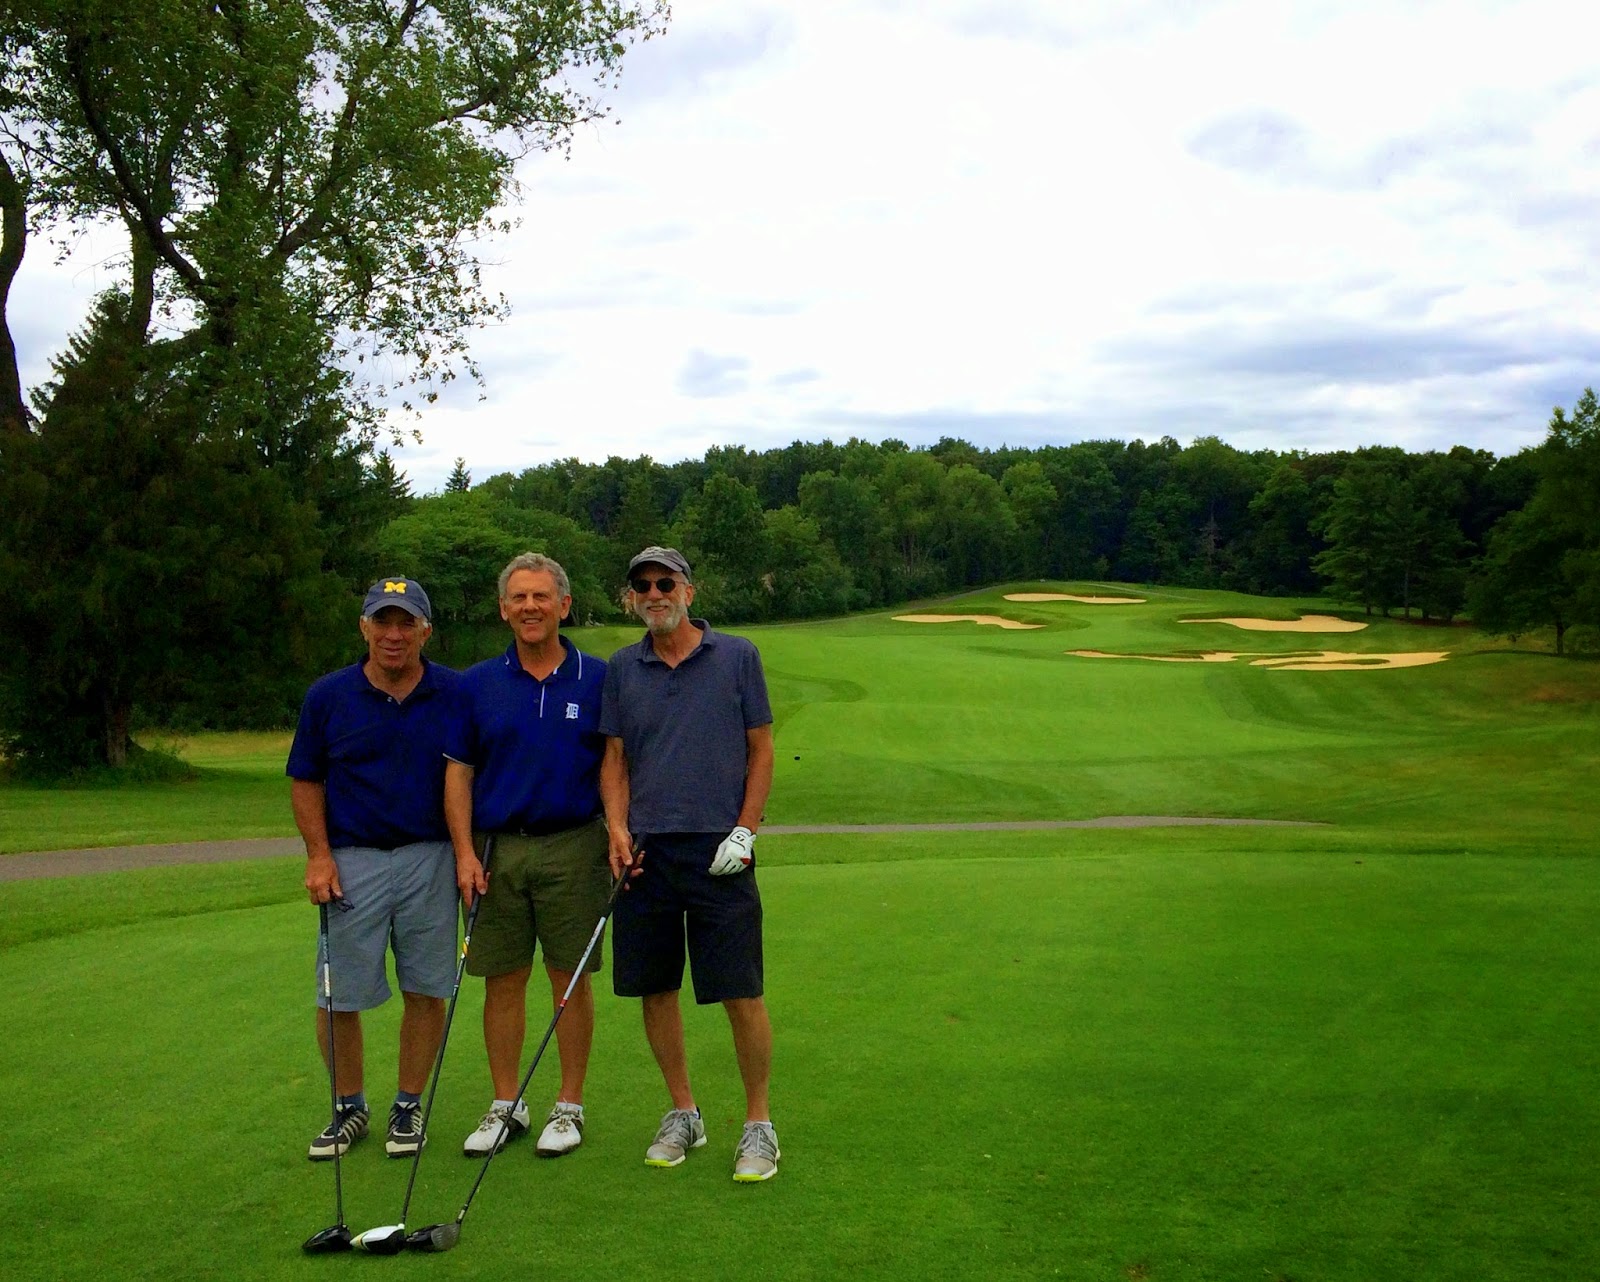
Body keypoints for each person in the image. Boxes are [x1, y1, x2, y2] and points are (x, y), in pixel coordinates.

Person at [599, 546, 780, 1182]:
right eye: (643, 586)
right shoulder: (623, 668)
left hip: (719, 849)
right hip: (647, 850)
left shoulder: (737, 656)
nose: (654, 594)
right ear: (632, 598)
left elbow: (762, 750)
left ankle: (758, 1122)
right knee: (655, 987)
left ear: (688, 591)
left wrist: (745, 830)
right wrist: (616, 828)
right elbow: (614, 759)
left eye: (665, 583)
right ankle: (684, 1112)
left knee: (740, 989)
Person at [288, 577, 461, 1161]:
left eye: (406, 622)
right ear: (364, 627)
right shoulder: (329, 696)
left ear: (425, 631)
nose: (394, 634)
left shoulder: (453, 692)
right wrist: (318, 855)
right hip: (351, 859)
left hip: (430, 857)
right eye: (382, 621)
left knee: (426, 987)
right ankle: (349, 1107)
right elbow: (306, 780)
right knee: (338, 995)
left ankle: (408, 1105)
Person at [445, 552, 610, 1158]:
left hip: (575, 843)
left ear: (563, 605)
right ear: (503, 609)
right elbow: (459, 774)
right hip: (497, 848)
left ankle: (569, 1106)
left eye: (542, 596)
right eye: (519, 597)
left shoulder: (597, 678)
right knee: (503, 978)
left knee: (570, 976)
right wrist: (464, 853)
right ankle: (506, 1103)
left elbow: (615, 765)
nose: (530, 607)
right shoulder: (476, 683)